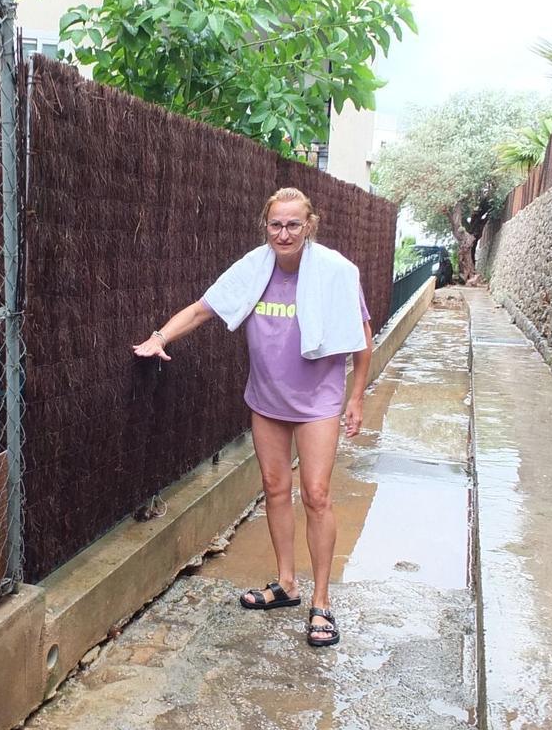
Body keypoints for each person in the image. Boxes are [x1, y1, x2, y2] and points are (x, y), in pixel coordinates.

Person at [132, 187, 373, 648]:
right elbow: (204, 309)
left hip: (317, 401)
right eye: (276, 224)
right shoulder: (253, 268)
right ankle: (286, 583)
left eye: (293, 224)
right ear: (266, 225)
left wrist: (356, 398)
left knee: (317, 494)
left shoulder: (336, 272)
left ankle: (321, 601)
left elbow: (362, 338)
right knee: (274, 487)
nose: (284, 233)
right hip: (267, 398)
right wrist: (160, 336)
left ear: (310, 226)